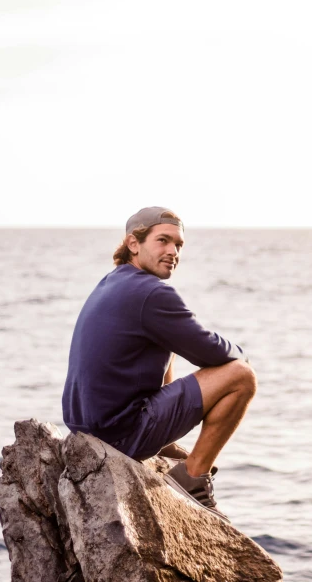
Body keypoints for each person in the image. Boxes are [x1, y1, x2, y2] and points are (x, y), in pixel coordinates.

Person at [62, 207, 257, 521]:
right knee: (241, 376)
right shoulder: (151, 292)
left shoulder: (112, 281)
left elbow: (184, 342)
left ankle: (166, 443)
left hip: (84, 428)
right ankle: (192, 478)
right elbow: (209, 350)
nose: (173, 251)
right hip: (119, 435)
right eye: (163, 240)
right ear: (133, 243)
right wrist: (241, 353)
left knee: (167, 339)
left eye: (178, 245)